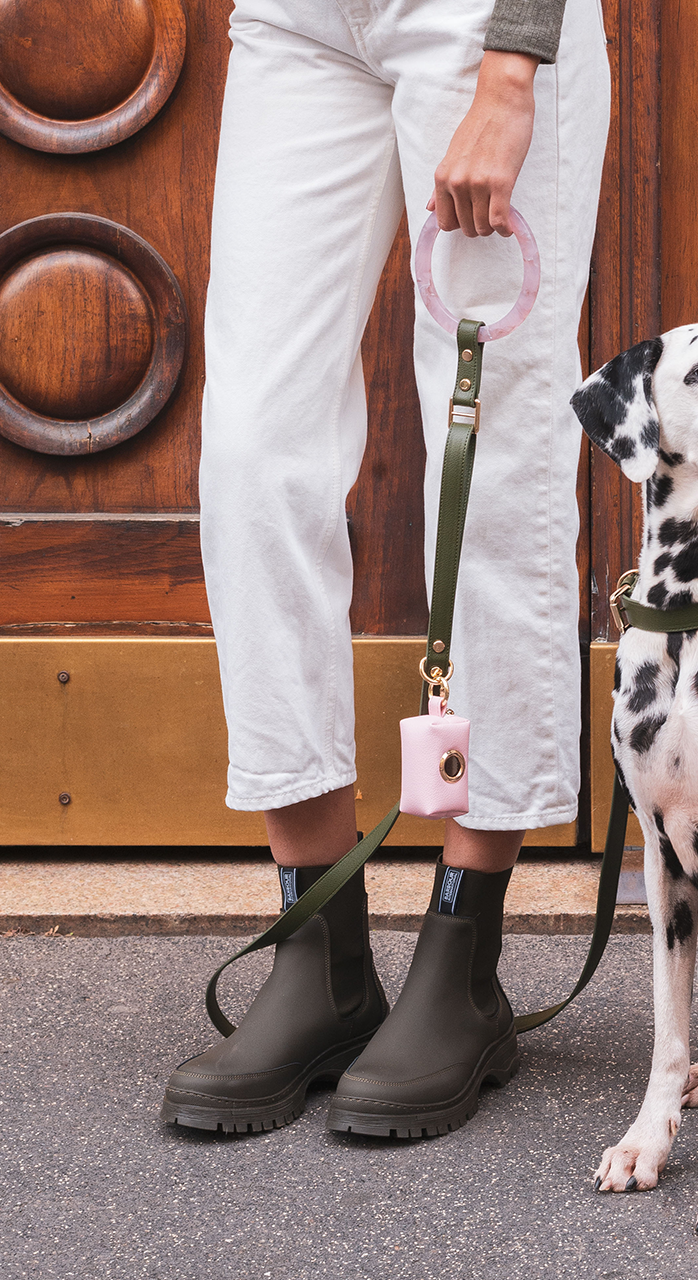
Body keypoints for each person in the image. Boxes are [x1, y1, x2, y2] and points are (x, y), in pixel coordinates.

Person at [160, 0, 610, 1137]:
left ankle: (464, 959)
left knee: (494, 453)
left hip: (479, 23)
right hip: (296, 22)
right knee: (254, 453)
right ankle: (321, 950)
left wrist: (511, 72)